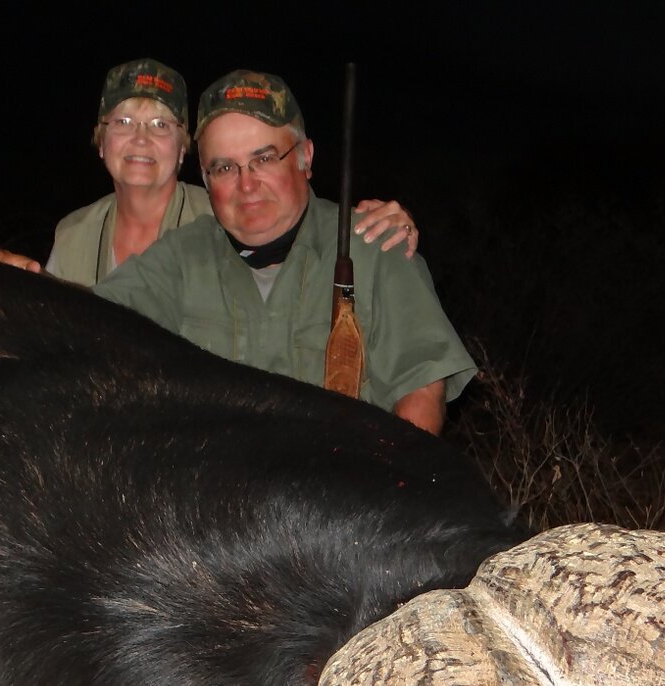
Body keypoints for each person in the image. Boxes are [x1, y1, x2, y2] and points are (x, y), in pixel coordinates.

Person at [92, 70, 474, 434]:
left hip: (344, 490)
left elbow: (421, 387)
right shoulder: (182, 256)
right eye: (225, 167)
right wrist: (31, 283)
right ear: (206, 181)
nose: (246, 184)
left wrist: (392, 483)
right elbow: (90, 319)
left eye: (264, 158)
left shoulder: (375, 246)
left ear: (305, 157)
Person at [0, 59, 419, 286]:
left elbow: (304, 246)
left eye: (160, 125)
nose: (139, 139)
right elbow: (65, 328)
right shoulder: (74, 232)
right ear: (100, 141)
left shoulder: (226, 216)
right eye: (123, 123)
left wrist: (374, 228)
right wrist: (21, 283)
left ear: (182, 149)